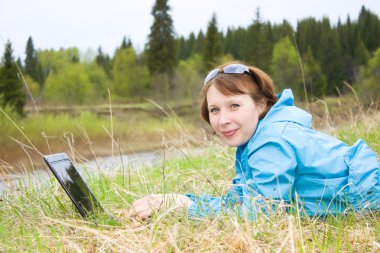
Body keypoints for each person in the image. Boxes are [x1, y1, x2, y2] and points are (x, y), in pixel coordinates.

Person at [128, 61, 380, 221]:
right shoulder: (254, 140)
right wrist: (179, 201)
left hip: (371, 197)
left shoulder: (271, 142)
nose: (223, 119)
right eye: (214, 110)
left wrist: (186, 209)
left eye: (234, 105)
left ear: (260, 104)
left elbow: (261, 214)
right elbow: (239, 202)